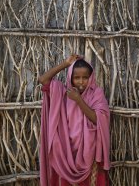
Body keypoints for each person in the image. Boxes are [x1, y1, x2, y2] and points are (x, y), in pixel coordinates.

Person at [39, 54, 110, 186]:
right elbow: (43, 79)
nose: (81, 81)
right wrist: (65, 64)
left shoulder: (96, 94)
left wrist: (78, 100)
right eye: (76, 77)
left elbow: (98, 119)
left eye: (85, 78)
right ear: (70, 78)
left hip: (89, 152)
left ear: (91, 78)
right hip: (65, 152)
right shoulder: (62, 92)